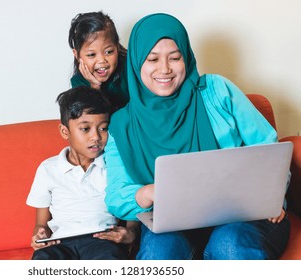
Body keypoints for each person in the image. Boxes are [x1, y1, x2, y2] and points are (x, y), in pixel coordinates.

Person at [103, 13, 290, 260]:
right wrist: (149, 192)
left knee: (228, 244)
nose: (165, 69)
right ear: (137, 63)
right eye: (152, 59)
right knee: (160, 252)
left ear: (187, 58)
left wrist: (272, 196)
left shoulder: (216, 90)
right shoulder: (122, 124)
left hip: (242, 217)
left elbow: (268, 149)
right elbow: (116, 195)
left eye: (175, 58)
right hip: (173, 225)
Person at [26, 86, 137, 260]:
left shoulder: (114, 165)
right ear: (65, 132)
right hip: (60, 243)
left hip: (102, 240)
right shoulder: (48, 169)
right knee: (42, 260)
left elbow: (131, 207)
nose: (96, 137)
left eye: (103, 128)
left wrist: (130, 233)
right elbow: (41, 224)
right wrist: (39, 234)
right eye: (85, 129)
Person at [68, 11, 129, 111]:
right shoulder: (79, 82)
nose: (102, 60)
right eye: (92, 55)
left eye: (109, 52)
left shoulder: (129, 69)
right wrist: (95, 87)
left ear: (117, 47)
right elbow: (92, 118)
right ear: (77, 55)